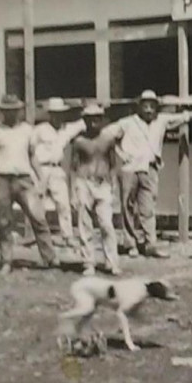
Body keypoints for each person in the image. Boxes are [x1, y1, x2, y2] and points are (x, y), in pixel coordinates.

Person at [102, 90, 192, 259]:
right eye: (145, 106)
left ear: (156, 107)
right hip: (129, 170)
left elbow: (185, 117)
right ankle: (131, 244)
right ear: (139, 107)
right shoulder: (127, 123)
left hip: (150, 169)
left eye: (152, 106)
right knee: (128, 207)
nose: (149, 110)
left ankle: (150, 244)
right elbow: (106, 135)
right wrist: (120, 153)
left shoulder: (161, 121)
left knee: (148, 209)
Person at [0, 94, 59, 273]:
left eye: (14, 110)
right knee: (3, 222)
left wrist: (41, 179)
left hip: (24, 180)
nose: (11, 113)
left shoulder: (27, 130)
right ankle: (6, 261)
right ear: (2, 112)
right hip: (2, 180)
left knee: (38, 217)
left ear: (19, 111)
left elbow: (32, 157)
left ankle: (50, 258)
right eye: (7, 110)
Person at [70, 104, 121, 277]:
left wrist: (113, 185)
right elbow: (73, 168)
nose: (93, 122)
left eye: (97, 118)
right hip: (84, 182)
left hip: (103, 184)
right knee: (84, 224)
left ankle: (111, 262)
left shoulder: (108, 139)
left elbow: (113, 165)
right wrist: (73, 192)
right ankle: (88, 262)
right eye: (89, 118)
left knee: (106, 224)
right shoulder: (79, 141)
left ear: (102, 119)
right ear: (84, 120)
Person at [30, 97, 85, 247]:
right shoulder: (40, 129)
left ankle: (67, 236)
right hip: (40, 169)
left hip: (57, 169)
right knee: (38, 204)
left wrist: (81, 105)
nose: (58, 117)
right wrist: (35, 171)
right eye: (55, 114)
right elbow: (30, 149)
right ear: (50, 114)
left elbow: (83, 122)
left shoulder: (66, 130)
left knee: (63, 204)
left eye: (60, 114)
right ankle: (38, 237)